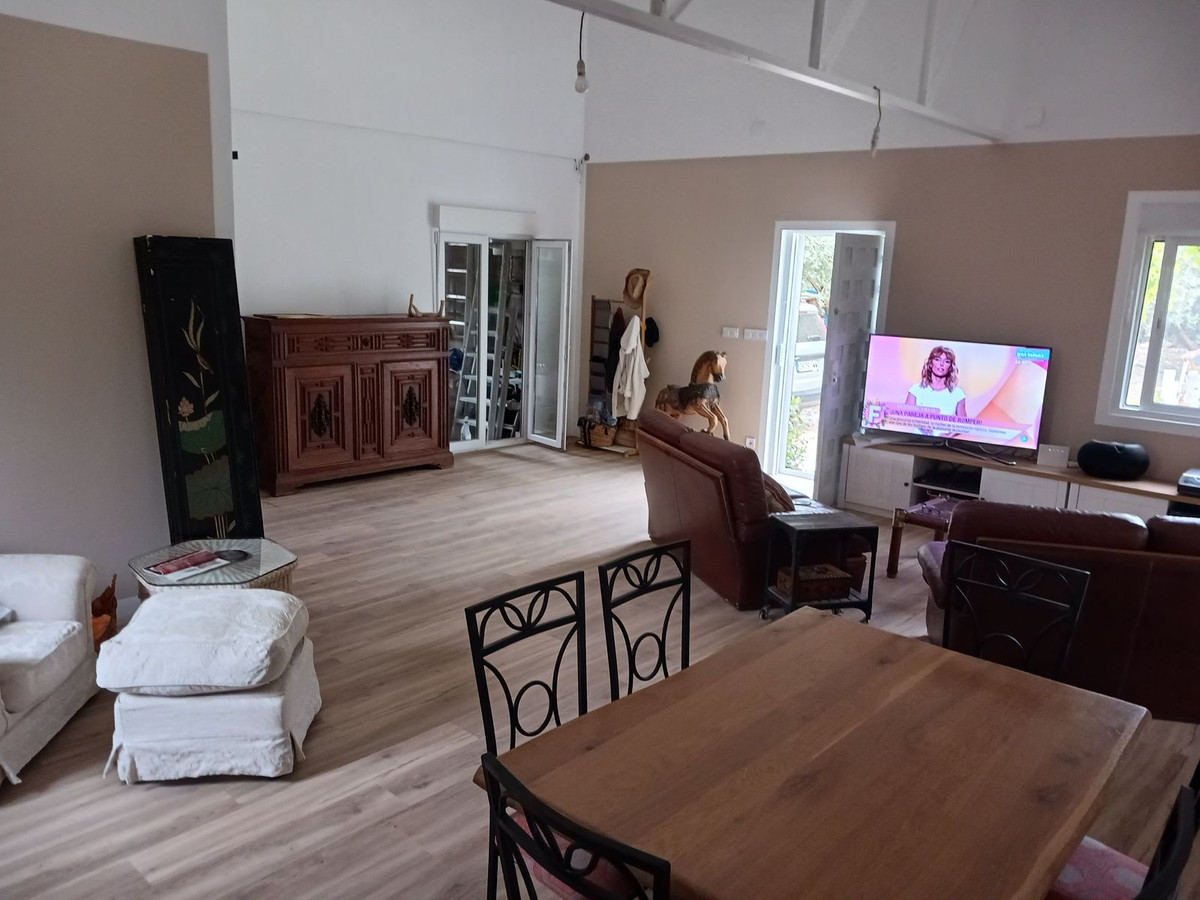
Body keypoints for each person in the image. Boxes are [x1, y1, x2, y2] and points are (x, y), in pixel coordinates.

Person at [906, 346, 967, 418]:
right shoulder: (916, 390)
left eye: (947, 361)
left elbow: (963, 423)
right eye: (937, 359)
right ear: (930, 364)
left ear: (950, 367)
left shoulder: (957, 394)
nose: (941, 364)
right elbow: (905, 419)